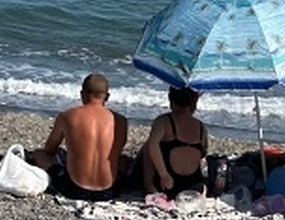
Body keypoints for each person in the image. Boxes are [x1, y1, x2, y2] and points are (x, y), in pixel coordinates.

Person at [34, 73, 128, 202]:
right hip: (109, 191)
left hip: (74, 189)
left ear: (82, 94)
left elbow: (50, 150)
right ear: (107, 97)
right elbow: (116, 152)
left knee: (40, 154)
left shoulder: (68, 116)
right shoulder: (120, 121)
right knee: (123, 160)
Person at [142, 86, 209, 198]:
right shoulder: (201, 127)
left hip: (168, 184)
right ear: (193, 103)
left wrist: (164, 174)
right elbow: (204, 151)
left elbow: (153, 146)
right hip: (194, 185)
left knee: (149, 145)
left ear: (170, 99)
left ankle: (149, 185)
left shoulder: (163, 121)